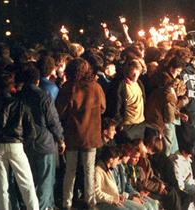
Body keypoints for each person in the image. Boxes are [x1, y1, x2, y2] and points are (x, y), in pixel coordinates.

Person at [57, 58, 106, 209]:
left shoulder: (68, 87)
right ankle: (90, 202)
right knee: (89, 170)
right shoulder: (96, 87)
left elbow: (60, 110)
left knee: (70, 170)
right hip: (90, 135)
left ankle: (67, 202)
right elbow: (103, 108)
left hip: (72, 134)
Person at [0, 72, 40, 210]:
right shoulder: (20, 104)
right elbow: (31, 132)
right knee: (26, 184)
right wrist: (24, 144)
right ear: (12, 86)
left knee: (1, 187)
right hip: (16, 145)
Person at [20, 64, 65, 210]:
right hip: (44, 142)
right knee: (46, 179)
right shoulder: (43, 96)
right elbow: (52, 120)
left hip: (26, 142)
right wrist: (60, 139)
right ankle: (45, 207)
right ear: (37, 80)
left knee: (31, 179)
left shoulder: (19, 96)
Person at [106, 59, 147, 143]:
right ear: (127, 72)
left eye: (137, 73)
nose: (135, 76)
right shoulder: (120, 86)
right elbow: (116, 105)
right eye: (133, 73)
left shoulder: (139, 83)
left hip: (140, 123)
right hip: (127, 125)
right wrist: (120, 123)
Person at [95, 146, 146, 210]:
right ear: (111, 160)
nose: (118, 162)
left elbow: (112, 190)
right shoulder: (98, 171)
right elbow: (96, 193)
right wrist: (112, 199)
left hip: (114, 200)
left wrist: (118, 196)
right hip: (102, 203)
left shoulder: (108, 170)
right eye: (117, 159)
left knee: (141, 208)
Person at [170, 143, 195, 210]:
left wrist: (193, 182)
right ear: (183, 152)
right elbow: (178, 179)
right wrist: (181, 190)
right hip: (180, 184)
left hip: (187, 181)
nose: (190, 156)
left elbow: (189, 174)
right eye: (189, 154)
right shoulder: (176, 161)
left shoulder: (186, 158)